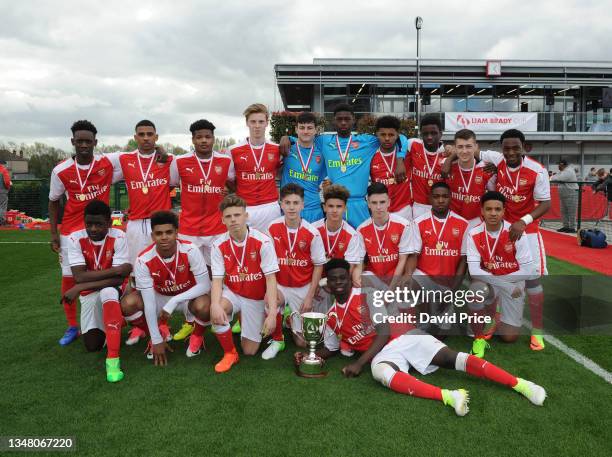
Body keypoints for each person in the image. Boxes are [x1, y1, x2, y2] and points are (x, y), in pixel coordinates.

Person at [297, 259, 546, 417]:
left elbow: (383, 332)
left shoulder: (367, 294)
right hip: (383, 353)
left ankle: (520, 384)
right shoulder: (329, 316)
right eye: (334, 280)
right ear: (327, 285)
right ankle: (449, 396)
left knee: (455, 359)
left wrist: (358, 364)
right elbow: (333, 348)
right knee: (381, 373)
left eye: (343, 277)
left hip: (404, 335)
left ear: (349, 278)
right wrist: (312, 356)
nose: (339, 283)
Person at [443, 129, 550, 351]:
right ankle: (495, 317)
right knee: (496, 273)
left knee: (531, 282)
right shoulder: (496, 159)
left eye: (515, 148)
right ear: (501, 148)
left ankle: (538, 331)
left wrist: (524, 220)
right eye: (507, 148)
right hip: (500, 230)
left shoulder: (537, 170)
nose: (510, 152)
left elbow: (545, 203)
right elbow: (467, 149)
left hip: (526, 231)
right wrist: (449, 160)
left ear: (524, 147)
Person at [280, 104, 409, 228]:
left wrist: (399, 159)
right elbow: (304, 139)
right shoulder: (324, 141)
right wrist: (287, 138)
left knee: (362, 243)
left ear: (354, 120)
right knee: (334, 244)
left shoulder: (367, 141)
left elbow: (401, 137)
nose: (343, 123)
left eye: (347, 119)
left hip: (359, 205)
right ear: (333, 121)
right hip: (335, 204)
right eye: (339, 119)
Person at [49, 120, 119, 346]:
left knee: (108, 272)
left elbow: (137, 153)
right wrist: (53, 234)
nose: (84, 145)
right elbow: (53, 201)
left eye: (88, 141)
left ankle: (116, 319)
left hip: (101, 230)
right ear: (72, 142)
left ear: (95, 142)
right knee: (69, 278)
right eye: (79, 141)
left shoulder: (107, 163)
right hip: (71, 232)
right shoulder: (60, 170)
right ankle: (72, 326)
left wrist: (160, 151)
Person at [109, 120, 177, 346]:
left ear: (156, 137)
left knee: (165, 273)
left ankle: (163, 322)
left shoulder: (168, 161)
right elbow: (95, 165)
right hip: (136, 224)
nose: (146, 138)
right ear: (135, 137)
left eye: (150, 134)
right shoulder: (124, 159)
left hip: (161, 223)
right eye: (142, 134)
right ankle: (142, 327)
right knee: (137, 275)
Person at [170, 119, 235, 341]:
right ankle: (190, 321)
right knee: (189, 276)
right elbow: (170, 185)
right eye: (199, 137)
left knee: (216, 274)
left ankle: (217, 314)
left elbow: (233, 185)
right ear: (193, 140)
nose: (204, 140)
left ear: (213, 139)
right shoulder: (179, 162)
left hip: (217, 229)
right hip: (188, 229)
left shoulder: (226, 161)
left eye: (208, 136)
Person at [121, 210, 212, 365]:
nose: (164, 237)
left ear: (177, 233)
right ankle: (156, 334)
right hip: (159, 298)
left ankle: (197, 336)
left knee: (205, 306)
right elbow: (149, 302)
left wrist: (175, 301)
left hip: (188, 296)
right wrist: (155, 340)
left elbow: (204, 285)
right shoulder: (143, 259)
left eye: (169, 232)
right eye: (159, 233)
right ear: (152, 236)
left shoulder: (190, 249)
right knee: (128, 304)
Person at [210, 195, 280, 373]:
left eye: (237, 215)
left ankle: (271, 318)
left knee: (250, 350)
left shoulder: (262, 241)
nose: (233, 219)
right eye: (228, 216)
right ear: (222, 220)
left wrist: (272, 313)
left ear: (246, 216)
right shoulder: (218, 244)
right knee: (217, 311)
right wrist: (214, 305)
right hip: (233, 293)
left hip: (256, 296)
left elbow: (271, 279)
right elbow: (217, 280)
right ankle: (229, 353)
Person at [65, 200, 132, 382]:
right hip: (90, 292)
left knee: (108, 292)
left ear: (109, 223)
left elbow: (119, 280)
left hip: (113, 289)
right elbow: (78, 276)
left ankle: (112, 360)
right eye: (89, 224)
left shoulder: (118, 236)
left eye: (99, 224)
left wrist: (80, 287)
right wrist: (117, 270)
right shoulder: (74, 238)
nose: (93, 229)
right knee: (92, 346)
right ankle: (117, 322)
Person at [466, 191, 534, 358]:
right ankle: (479, 339)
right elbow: (474, 270)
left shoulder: (517, 233)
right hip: (492, 283)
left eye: (497, 209)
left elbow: (527, 270)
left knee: (509, 337)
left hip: (513, 281)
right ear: (481, 211)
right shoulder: (473, 234)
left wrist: (506, 284)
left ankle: (495, 315)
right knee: (475, 290)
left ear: (504, 211)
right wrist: (504, 285)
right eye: (488, 209)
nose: (493, 213)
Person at [265, 184, 326, 357]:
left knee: (302, 342)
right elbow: (268, 263)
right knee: (272, 300)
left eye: (295, 202)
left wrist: (309, 296)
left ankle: (289, 319)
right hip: (281, 285)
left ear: (302, 205)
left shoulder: (312, 232)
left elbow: (318, 266)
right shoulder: (272, 228)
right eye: (287, 202)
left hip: (302, 287)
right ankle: (278, 340)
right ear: (281, 204)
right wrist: (272, 289)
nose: (291, 207)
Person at [406, 182, 469, 327]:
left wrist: (452, 293)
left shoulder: (463, 224)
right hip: (425, 278)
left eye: (444, 196)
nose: (440, 200)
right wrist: (408, 277)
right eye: (436, 197)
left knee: (440, 334)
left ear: (451, 198)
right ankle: (422, 314)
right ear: (430, 198)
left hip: (446, 284)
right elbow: (413, 256)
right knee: (411, 284)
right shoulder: (418, 223)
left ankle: (435, 315)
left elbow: (463, 261)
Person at [229, 103, 282, 233]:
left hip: (270, 207)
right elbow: (229, 179)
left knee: (270, 248)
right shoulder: (233, 150)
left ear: (266, 123)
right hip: (245, 207)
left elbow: (280, 173)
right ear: (247, 123)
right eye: (253, 121)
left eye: (261, 121)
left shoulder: (277, 149)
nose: (257, 126)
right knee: (246, 248)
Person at [355, 182, 414, 284]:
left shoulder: (404, 225)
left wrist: (391, 289)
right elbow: (359, 262)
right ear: (368, 203)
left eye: (382, 202)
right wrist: (356, 278)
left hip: (396, 277)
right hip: (373, 277)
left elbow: (402, 260)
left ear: (389, 202)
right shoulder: (361, 229)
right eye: (374, 203)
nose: (378, 207)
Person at [280, 112, 326, 222]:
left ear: (316, 130)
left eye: (309, 128)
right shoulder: (286, 149)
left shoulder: (322, 154)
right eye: (302, 127)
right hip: (290, 209)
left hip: (314, 210)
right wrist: (286, 137)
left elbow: (322, 181)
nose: (305, 131)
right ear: (296, 129)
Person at [444, 129, 496, 229]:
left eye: (468, 146)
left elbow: (494, 196)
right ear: (455, 148)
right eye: (460, 147)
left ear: (476, 147)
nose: (464, 151)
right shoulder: (447, 168)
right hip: (452, 222)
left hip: (477, 223)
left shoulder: (487, 170)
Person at [370, 116, 413, 220]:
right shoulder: (371, 156)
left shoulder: (408, 153)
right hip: (380, 211)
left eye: (391, 135)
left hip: (404, 210)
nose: (387, 138)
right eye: (383, 135)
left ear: (397, 135)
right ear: (377, 135)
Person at [408, 115, 448, 219]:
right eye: (425, 134)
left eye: (434, 133)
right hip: (418, 206)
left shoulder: (447, 154)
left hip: (440, 207)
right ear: (421, 134)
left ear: (440, 134)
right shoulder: (413, 145)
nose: (429, 137)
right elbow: (400, 139)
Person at [550, 159, 578, 233]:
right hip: (564, 194)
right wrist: (553, 177)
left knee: (571, 212)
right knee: (564, 211)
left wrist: (552, 177)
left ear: (562, 164)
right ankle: (566, 226)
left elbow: (557, 178)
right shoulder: (563, 171)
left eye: (559, 164)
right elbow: (554, 176)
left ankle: (572, 228)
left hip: (571, 193)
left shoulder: (568, 171)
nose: (558, 166)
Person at [0, 160, 11, 224]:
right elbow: (7, 182)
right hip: (2, 191)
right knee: (2, 206)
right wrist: (8, 188)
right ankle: (2, 221)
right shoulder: (4, 170)